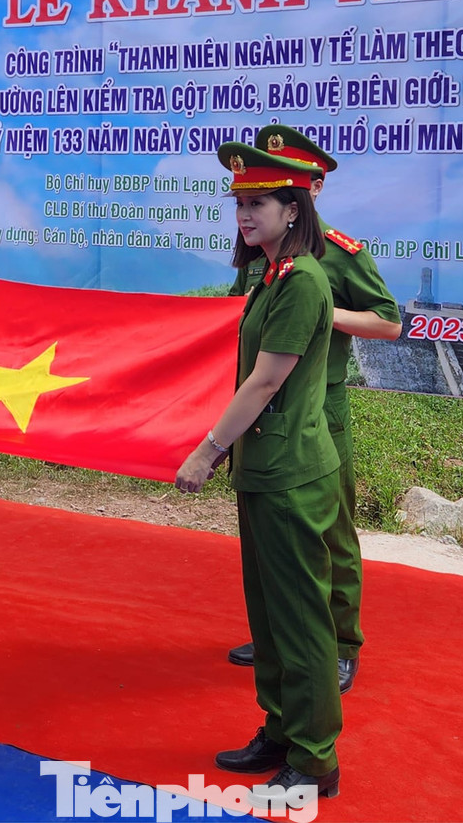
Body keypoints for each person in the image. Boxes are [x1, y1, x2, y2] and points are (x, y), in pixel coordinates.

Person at [176, 142, 343, 799]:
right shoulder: (272, 277)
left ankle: (316, 757)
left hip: (292, 475)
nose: (244, 214)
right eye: (240, 203)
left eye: (258, 203)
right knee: (269, 617)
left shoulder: (303, 282)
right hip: (265, 470)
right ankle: (279, 730)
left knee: (301, 620)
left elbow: (264, 381)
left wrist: (207, 448)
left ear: (292, 207)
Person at [225, 126, 403, 694]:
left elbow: (389, 322)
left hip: (316, 405)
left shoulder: (336, 254)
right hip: (260, 405)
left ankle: (341, 642)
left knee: (329, 533)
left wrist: (321, 316)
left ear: (308, 191)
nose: (251, 206)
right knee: (264, 532)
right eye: (245, 196)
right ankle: (280, 632)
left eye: (268, 190)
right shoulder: (259, 253)